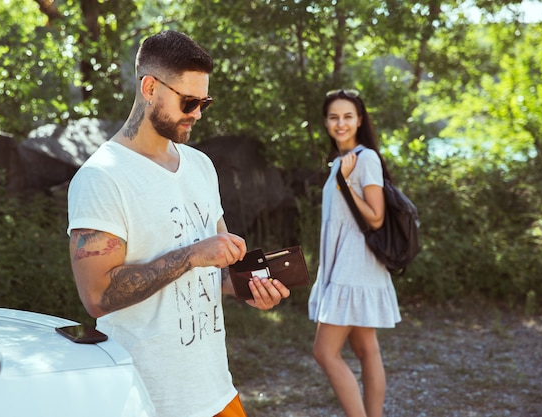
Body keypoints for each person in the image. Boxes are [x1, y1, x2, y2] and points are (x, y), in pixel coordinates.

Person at [66, 30, 290, 417]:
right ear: (150, 87)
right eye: (189, 101)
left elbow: (212, 275)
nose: (198, 113)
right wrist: (190, 255)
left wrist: (246, 289)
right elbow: (98, 297)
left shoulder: (200, 166)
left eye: (205, 102)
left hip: (216, 391)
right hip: (147, 400)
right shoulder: (101, 177)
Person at [308, 89, 401, 417]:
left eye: (348, 116)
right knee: (365, 349)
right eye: (334, 117)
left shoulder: (366, 159)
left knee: (324, 352)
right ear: (325, 122)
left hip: (356, 268)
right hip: (344, 267)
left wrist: (346, 184)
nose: (341, 123)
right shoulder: (340, 163)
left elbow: (376, 218)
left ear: (360, 120)